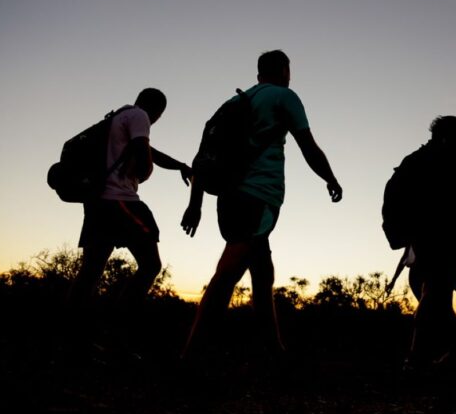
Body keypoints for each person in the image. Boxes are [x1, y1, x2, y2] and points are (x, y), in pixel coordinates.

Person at [180, 50, 343, 365]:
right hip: (257, 196)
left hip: (229, 196)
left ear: (258, 73)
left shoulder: (233, 103)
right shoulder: (284, 96)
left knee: (262, 271)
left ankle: (274, 349)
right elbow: (308, 146)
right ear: (284, 70)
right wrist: (331, 179)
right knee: (227, 273)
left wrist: (195, 205)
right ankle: (191, 355)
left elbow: (203, 158)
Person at [65, 88, 192, 354]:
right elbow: (145, 157)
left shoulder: (118, 118)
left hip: (98, 203)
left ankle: (74, 339)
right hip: (120, 201)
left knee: (90, 271)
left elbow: (150, 150)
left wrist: (179, 165)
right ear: (157, 111)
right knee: (151, 264)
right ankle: (116, 330)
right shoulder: (140, 116)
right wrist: (144, 170)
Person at [386, 115, 456, 368]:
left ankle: (433, 353)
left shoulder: (452, 158)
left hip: (448, 236)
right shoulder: (423, 160)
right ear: (447, 137)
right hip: (438, 236)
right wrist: (397, 232)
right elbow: (393, 194)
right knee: (432, 290)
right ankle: (432, 353)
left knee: (437, 291)